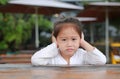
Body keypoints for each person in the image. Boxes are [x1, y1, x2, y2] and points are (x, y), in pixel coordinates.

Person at [31, 17, 106, 66]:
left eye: (74, 39)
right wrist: (55, 44)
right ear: (56, 39)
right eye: (63, 39)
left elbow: (101, 61)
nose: (69, 44)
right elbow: (35, 60)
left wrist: (82, 42)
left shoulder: (83, 55)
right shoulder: (51, 56)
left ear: (80, 38)